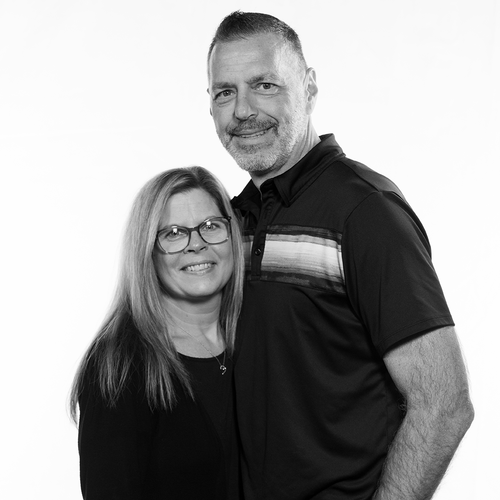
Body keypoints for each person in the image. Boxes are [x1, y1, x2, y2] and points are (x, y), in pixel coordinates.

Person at [207, 11, 474, 500]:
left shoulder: (365, 210)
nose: (242, 110)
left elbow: (444, 402)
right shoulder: (230, 220)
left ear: (309, 88)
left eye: (264, 85)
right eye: (224, 92)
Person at [69, 166, 244, 499]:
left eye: (211, 226)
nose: (197, 245)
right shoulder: (120, 366)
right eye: (174, 233)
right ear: (147, 251)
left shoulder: (259, 338)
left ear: (232, 235)